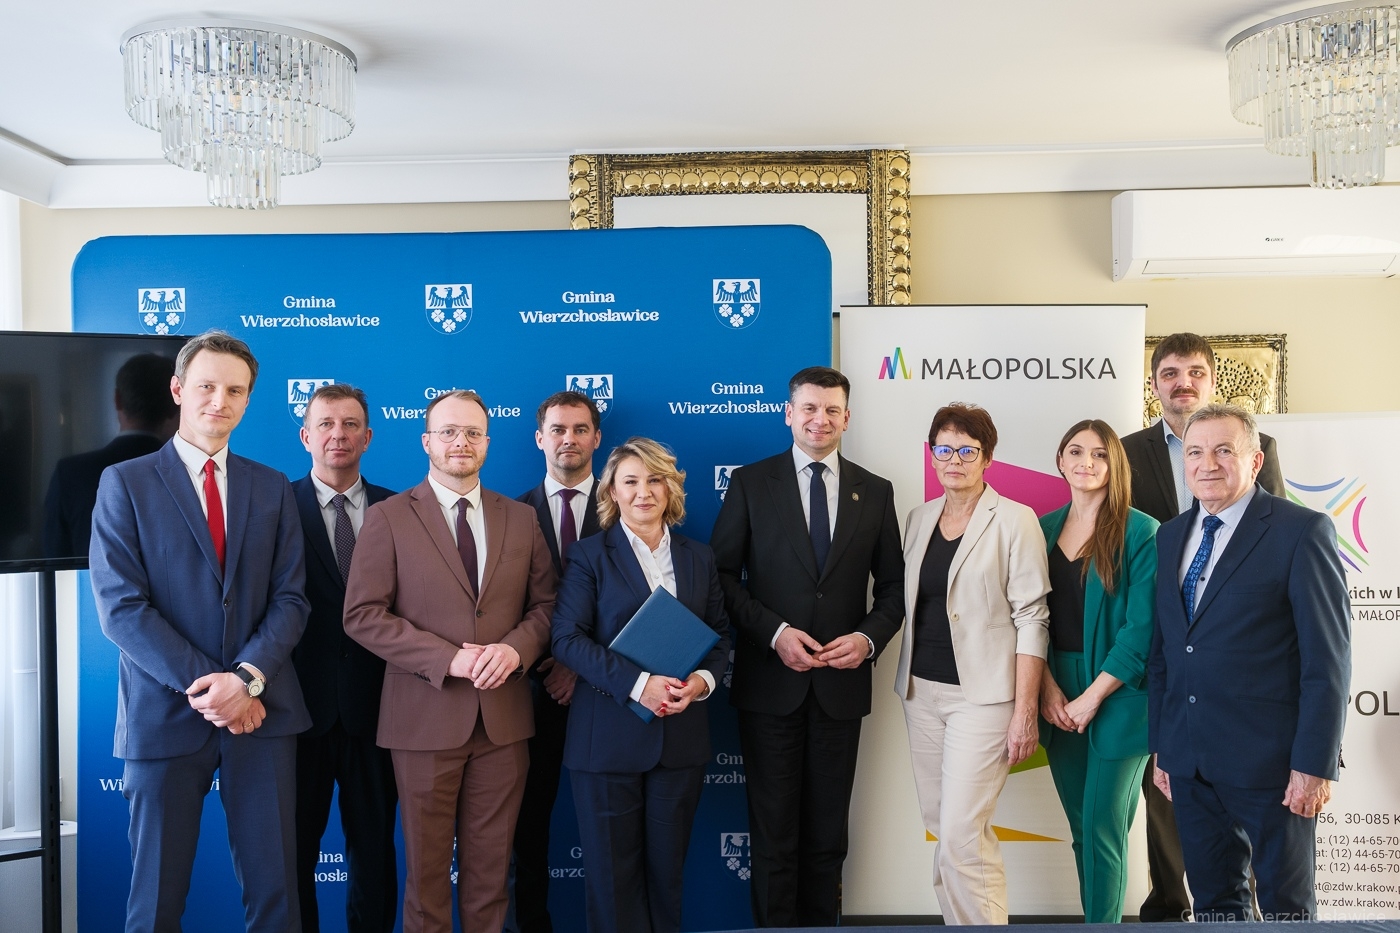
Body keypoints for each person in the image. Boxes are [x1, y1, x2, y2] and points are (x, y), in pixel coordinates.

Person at [88, 330, 311, 933]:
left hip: (262, 715)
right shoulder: (125, 483)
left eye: (235, 391)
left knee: (277, 898)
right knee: (155, 904)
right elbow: (121, 608)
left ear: (248, 400)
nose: (220, 400)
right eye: (207, 386)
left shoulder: (271, 486)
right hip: (164, 716)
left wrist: (247, 680)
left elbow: (291, 599)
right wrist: (217, 690)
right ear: (177, 389)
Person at [343, 388, 555, 933]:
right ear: (426, 442)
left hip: (504, 723)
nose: (461, 442)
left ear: (487, 441)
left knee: (491, 879)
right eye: (449, 432)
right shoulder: (388, 517)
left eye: (472, 433)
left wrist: (514, 650)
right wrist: (448, 660)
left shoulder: (521, 518)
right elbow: (363, 615)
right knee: (427, 880)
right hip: (423, 721)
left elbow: (546, 608)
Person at [710, 365, 904, 927]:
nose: (821, 419)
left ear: (847, 417)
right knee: (772, 836)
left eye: (832, 410)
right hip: (770, 686)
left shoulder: (876, 490)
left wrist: (867, 639)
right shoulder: (752, 483)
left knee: (827, 838)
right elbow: (721, 577)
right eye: (810, 408)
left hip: (840, 689)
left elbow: (894, 588)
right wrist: (774, 633)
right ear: (789, 413)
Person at [1148, 403, 1349, 921]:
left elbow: (1327, 662)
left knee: (1287, 910)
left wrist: (1314, 763)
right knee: (1215, 905)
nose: (1207, 463)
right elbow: (1166, 652)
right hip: (1190, 761)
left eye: (1223, 450)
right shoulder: (1169, 536)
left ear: (1255, 461)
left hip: (1273, 765)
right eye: (1195, 452)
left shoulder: (1300, 531)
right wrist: (1164, 747)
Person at [1119, 331, 1286, 921]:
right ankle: (1170, 904)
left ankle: (1251, 909)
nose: (1182, 382)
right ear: (1155, 384)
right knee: (1170, 786)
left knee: (1249, 804)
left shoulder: (1259, 447)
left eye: (1194, 372)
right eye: (1170, 373)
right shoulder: (1126, 451)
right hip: (1164, 635)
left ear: (1212, 381)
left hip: (1240, 650)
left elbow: (1274, 538)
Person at [551, 437, 732, 933]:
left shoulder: (698, 557)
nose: (643, 492)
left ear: (671, 487)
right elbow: (566, 639)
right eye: (630, 481)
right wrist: (639, 684)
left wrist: (701, 683)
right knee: (612, 884)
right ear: (612, 491)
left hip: (679, 743)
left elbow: (720, 636)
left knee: (666, 880)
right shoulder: (589, 556)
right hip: (606, 745)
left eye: (655, 480)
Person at [893, 403, 1049, 925]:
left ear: (987, 458)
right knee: (944, 827)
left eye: (967, 450)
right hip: (920, 693)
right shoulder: (919, 520)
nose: (954, 459)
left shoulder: (1015, 519)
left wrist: (1025, 710)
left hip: (983, 699)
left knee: (962, 832)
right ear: (932, 455)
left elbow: (1032, 617)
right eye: (944, 449)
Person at [1036, 420, 1158, 922]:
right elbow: (1029, 619)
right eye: (1075, 451)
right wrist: (1046, 688)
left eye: (1099, 454)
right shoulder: (1040, 529)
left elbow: (1142, 628)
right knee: (1082, 829)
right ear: (1060, 460)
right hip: (1056, 688)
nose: (1086, 462)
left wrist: (1092, 697)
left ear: (1114, 465)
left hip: (1120, 692)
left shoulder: (1140, 531)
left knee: (1105, 828)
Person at [290, 384, 398, 933]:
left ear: (368, 436)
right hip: (295, 713)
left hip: (379, 712)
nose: (339, 434)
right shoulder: (274, 506)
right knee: (292, 858)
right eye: (326, 424)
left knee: (375, 856)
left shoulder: (400, 510)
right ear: (306, 435)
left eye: (351, 424)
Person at [511, 390, 603, 933]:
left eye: (580, 429)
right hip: (529, 691)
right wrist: (550, 662)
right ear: (539, 438)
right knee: (526, 826)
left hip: (605, 692)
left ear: (596, 438)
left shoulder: (627, 507)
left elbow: (643, 603)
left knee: (611, 830)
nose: (569, 439)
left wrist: (579, 665)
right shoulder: (509, 514)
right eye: (558, 429)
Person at [43, 352, 178, 559]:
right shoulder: (188, 471)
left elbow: (53, 553)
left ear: (117, 400)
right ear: (173, 407)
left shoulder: (70, 472)